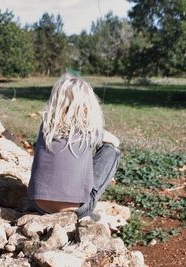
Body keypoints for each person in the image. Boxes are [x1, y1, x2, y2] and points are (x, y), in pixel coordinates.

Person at [27, 73, 121, 219]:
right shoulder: (89, 129)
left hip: (40, 206)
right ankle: (83, 210)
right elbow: (115, 141)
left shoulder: (46, 126)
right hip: (76, 209)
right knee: (112, 151)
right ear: (88, 103)